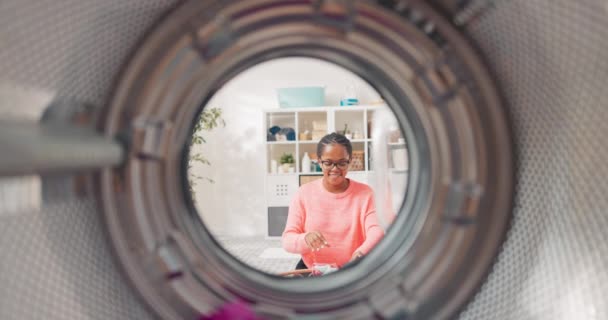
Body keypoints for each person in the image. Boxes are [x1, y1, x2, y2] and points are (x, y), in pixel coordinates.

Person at [281, 132, 384, 270]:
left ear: (350, 160)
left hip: (353, 267)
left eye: (342, 163)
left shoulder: (366, 194)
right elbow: (287, 240)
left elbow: (376, 231)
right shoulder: (303, 193)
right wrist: (305, 239)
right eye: (328, 163)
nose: (335, 169)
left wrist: (361, 253)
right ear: (319, 161)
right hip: (312, 269)